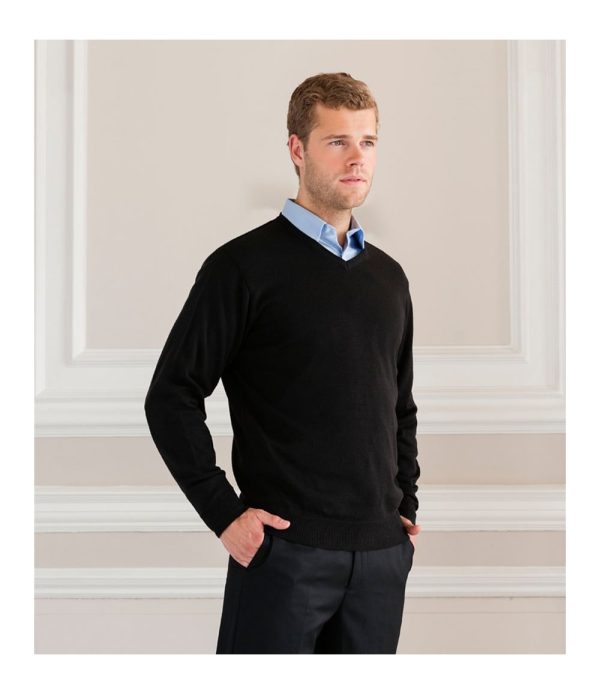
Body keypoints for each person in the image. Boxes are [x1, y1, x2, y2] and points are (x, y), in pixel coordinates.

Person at [144, 71, 421, 654]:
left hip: (380, 560)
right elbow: (171, 395)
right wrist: (225, 515)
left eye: (368, 141)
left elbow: (399, 407)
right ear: (297, 149)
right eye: (337, 141)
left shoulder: (389, 278)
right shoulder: (240, 269)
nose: (357, 158)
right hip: (284, 556)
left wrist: (404, 514)